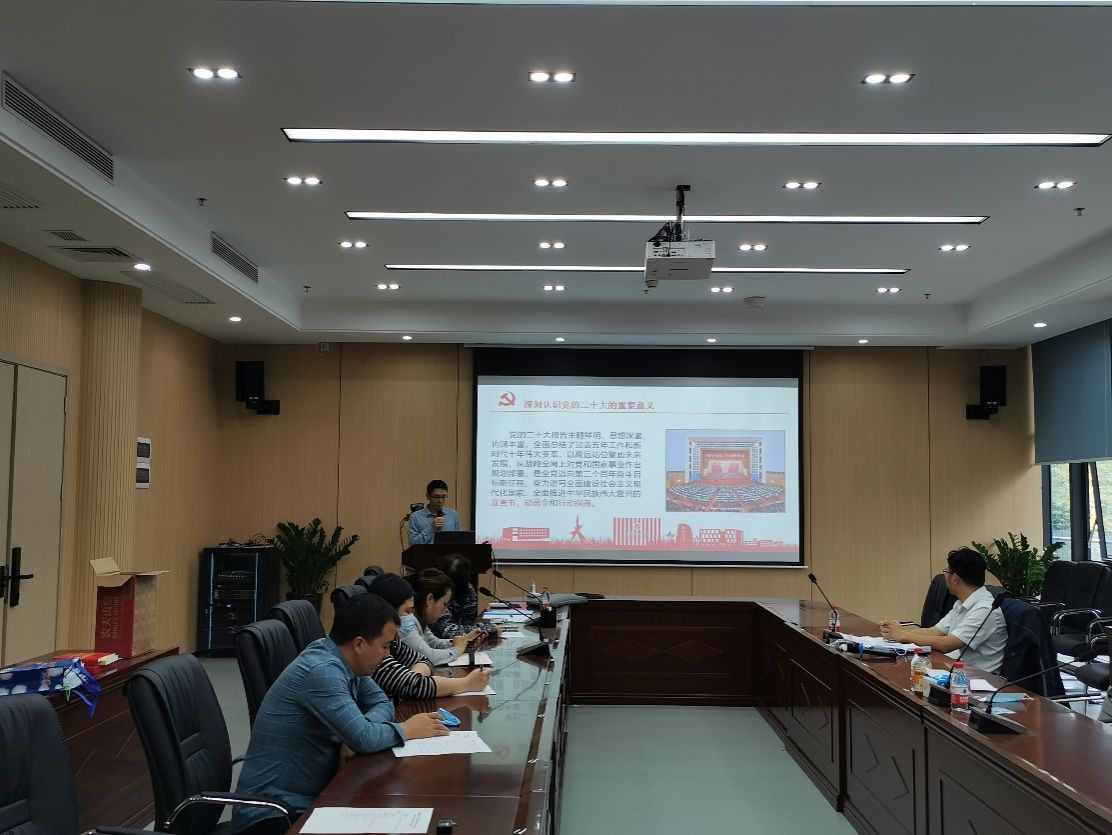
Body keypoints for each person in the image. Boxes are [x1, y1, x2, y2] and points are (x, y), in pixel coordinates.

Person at [232, 594, 449, 835]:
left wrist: (358, 730)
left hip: (314, 797)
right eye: (385, 646)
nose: (387, 656)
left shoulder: (345, 660)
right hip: (274, 815)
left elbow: (381, 702)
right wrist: (406, 729)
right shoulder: (322, 670)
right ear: (359, 644)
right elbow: (364, 738)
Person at [879, 547, 1007, 674]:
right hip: (955, 669)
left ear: (955, 578)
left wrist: (904, 635)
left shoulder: (985, 609)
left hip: (979, 678)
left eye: (946, 571)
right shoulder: (962, 602)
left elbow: (946, 644)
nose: (944, 576)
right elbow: (934, 631)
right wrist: (896, 632)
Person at [366, 572, 491, 699]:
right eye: (408, 611)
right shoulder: (375, 654)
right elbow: (417, 681)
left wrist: (414, 679)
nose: (411, 617)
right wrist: (467, 683)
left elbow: (423, 659)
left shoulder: (394, 641)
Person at [402, 567, 480, 666]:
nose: (445, 611)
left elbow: (434, 643)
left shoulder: (420, 618)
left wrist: (465, 640)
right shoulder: (407, 622)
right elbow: (429, 657)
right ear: (429, 599)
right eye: (444, 604)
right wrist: (457, 649)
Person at [430, 553, 500, 640]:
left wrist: (468, 590)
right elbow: (445, 631)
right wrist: (487, 628)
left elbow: (468, 621)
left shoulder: (462, 592)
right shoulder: (435, 595)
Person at [408, 479, 460, 545]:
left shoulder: (453, 514)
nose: (440, 501)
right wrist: (431, 527)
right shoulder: (416, 517)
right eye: (436, 497)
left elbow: (459, 540)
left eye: (443, 497)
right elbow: (413, 544)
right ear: (428, 496)